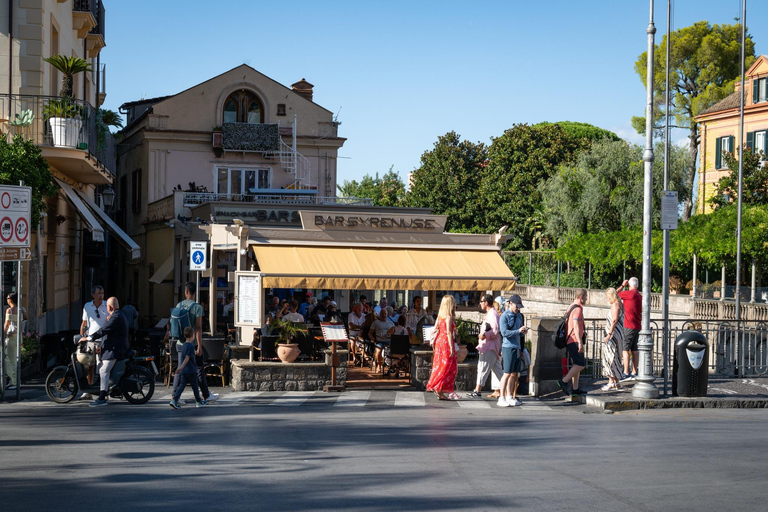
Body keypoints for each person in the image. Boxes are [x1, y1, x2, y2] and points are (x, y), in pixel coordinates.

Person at [166, 282, 219, 404]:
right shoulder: (197, 307)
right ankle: (205, 395)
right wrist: (200, 345)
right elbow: (199, 327)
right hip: (192, 343)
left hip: (180, 342)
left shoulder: (179, 305)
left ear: (185, 292)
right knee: (199, 368)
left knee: (180, 368)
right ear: (195, 293)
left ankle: (175, 396)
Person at [86, 297, 130, 407]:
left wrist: (91, 337)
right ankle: (107, 390)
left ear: (109, 307)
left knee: (103, 370)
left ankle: (102, 397)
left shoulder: (116, 317)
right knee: (103, 369)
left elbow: (104, 330)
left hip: (115, 350)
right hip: (113, 348)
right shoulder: (118, 314)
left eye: (107, 306)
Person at [467, 293, 502, 399]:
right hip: (490, 346)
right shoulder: (491, 314)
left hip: (489, 346)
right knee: (498, 370)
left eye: (481, 302)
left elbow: (495, 330)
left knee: (483, 368)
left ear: (486, 303)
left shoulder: (492, 314)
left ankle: (477, 391)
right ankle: (510, 387)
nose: (480, 304)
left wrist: (484, 335)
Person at [77, 285, 108, 399]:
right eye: (99, 293)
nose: (101, 296)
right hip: (90, 340)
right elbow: (84, 323)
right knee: (88, 365)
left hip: (104, 340)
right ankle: (88, 391)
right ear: (93, 295)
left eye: (102, 293)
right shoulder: (87, 306)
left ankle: (103, 391)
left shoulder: (106, 305)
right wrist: (82, 337)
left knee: (102, 366)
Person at [426, 295, 460, 401]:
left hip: (440, 342)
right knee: (449, 367)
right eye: (453, 302)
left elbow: (436, 328)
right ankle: (439, 387)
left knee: (440, 365)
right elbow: (449, 333)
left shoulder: (440, 316)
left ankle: (438, 388)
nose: (455, 304)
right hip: (446, 342)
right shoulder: (448, 316)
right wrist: (451, 347)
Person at [498, 294, 529, 407]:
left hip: (516, 347)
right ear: (510, 303)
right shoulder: (504, 316)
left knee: (514, 373)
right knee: (507, 373)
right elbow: (504, 332)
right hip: (508, 347)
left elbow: (519, 332)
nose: (518, 308)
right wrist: (518, 331)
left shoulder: (520, 316)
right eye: (517, 306)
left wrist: (523, 332)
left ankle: (509, 396)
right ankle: (501, 397)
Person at [557, 289, 588, 396]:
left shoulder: (571, 306)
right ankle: (564, 381)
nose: (586, 299)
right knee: (581, 364)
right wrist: (580, 342)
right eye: (586, 296)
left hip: (569, 339)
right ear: (581, 297)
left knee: (576, 364)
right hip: (574, 340)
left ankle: (575, 388)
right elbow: (576, 326)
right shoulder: (578, 309)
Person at [169, 326, 208, 409]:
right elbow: (187, 357)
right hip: (191, 370)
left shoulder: (184, 345)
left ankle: (174, 399)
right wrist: (181, 367)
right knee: (195, 387)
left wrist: (195, 352)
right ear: (192, 334)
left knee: (182, 386)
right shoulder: (190, 346)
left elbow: (189, 353)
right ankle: (198, 401)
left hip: (184, 372)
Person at [617, 277, 641, 381]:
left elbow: (614, 294)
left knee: (625, 349)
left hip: (628, 325)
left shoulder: (628, 294)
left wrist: (622, 285)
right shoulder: (639, 296)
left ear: (629, 285)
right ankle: (634, 372)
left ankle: (626, 372)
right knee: (635, 349)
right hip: (637, 326)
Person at [602, 287, 625, 391]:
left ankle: (611, 381)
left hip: (613, 335)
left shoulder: (615, 305)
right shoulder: (620, 304)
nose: (607, 300)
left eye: (607, 297)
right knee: (615, 356)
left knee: (609, 357)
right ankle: (616, 382)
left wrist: (609, 334)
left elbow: (614, 320)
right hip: (618, 334)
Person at [3, 293, 27, 390]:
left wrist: (2, 335)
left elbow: (7, 324)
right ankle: (15, 380)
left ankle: (14, 382)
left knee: (8, 358)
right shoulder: (21, 309)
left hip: (12, 336)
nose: (6, 299)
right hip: (19, 336)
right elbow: (26, 318)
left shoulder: (9, 310)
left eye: (7, 298)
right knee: (15, 359)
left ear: (11, 300)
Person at [369, 309, 395, 373]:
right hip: (379, 341)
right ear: (380, 315)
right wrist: (372, 338)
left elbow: (395, 332)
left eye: (385, 314)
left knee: (395, 350)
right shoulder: (375, 322)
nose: (383, 315)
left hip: (389, 341)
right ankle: (379, 365)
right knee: (378, 351)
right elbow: (370, 333)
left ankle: (393, 366)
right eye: (382, 314)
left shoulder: (391, 323)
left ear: (387, 315)